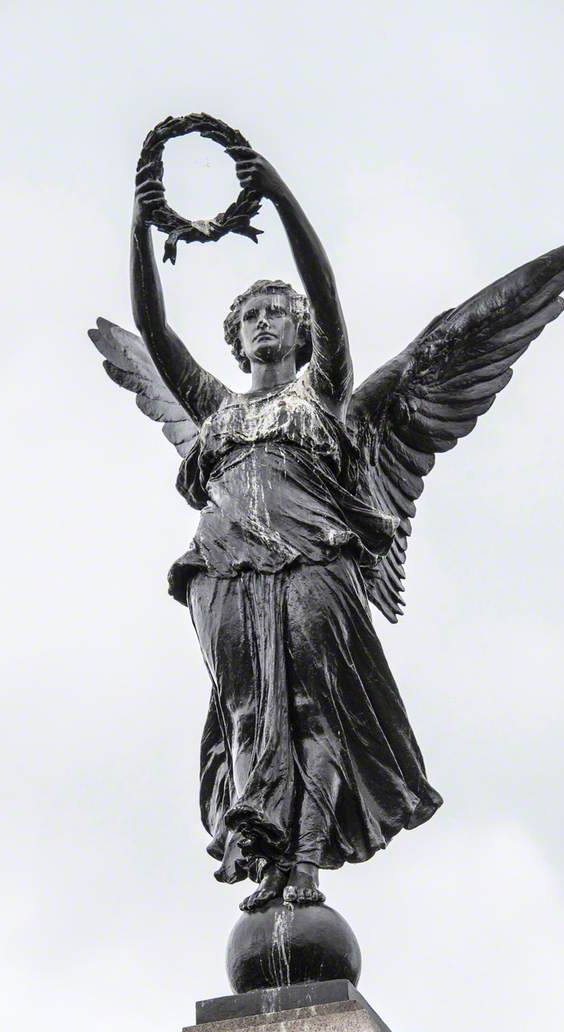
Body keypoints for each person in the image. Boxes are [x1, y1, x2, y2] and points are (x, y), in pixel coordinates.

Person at [130, 148, 442, 911]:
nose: (262, 321)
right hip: (224, 568)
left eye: (276, 311)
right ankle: (263, 860)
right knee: (242, 708)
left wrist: (276, 193)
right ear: (235, 339)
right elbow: (150, 325)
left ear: (297, 331)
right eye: (248, 317)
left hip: (315, 560)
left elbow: (329, 297)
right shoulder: (217, 410)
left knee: (313, 710)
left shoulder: (324, 394)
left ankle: (303, 866)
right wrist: (140, 222)